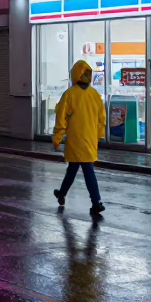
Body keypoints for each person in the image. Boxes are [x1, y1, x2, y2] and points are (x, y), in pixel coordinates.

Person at [51, 60, 107, 215]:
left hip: (75, 140)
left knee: (79, 169)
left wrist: (57, 138)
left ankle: (95, 201)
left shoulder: (69, 95)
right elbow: (102, 118)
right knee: (79, 169)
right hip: (90, 140)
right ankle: (63, 194)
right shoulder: (95, 95)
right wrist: (99, 136)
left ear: (75, 74)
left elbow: (60, 119)